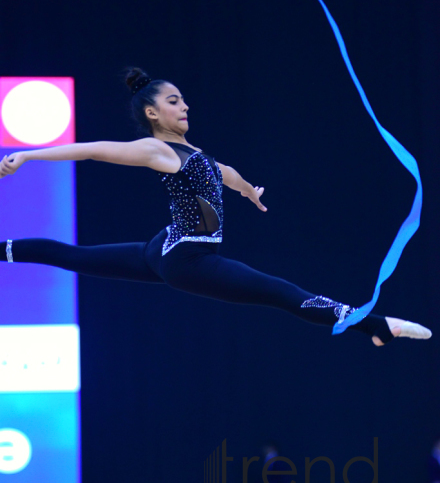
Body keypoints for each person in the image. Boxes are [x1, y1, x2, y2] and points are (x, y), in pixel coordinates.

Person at [0, 67, 432, 346]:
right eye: (173, 101)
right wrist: (30, 155)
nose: (185, 105)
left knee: (75, 257)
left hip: (163, 248)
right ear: (152, 113)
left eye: (183, 99)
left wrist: (248, 191)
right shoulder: (157, 150)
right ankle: (374, 324)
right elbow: (96, 149)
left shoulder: (193, 154)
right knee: (280, 292)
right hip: (187, 257)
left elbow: (224, 172)